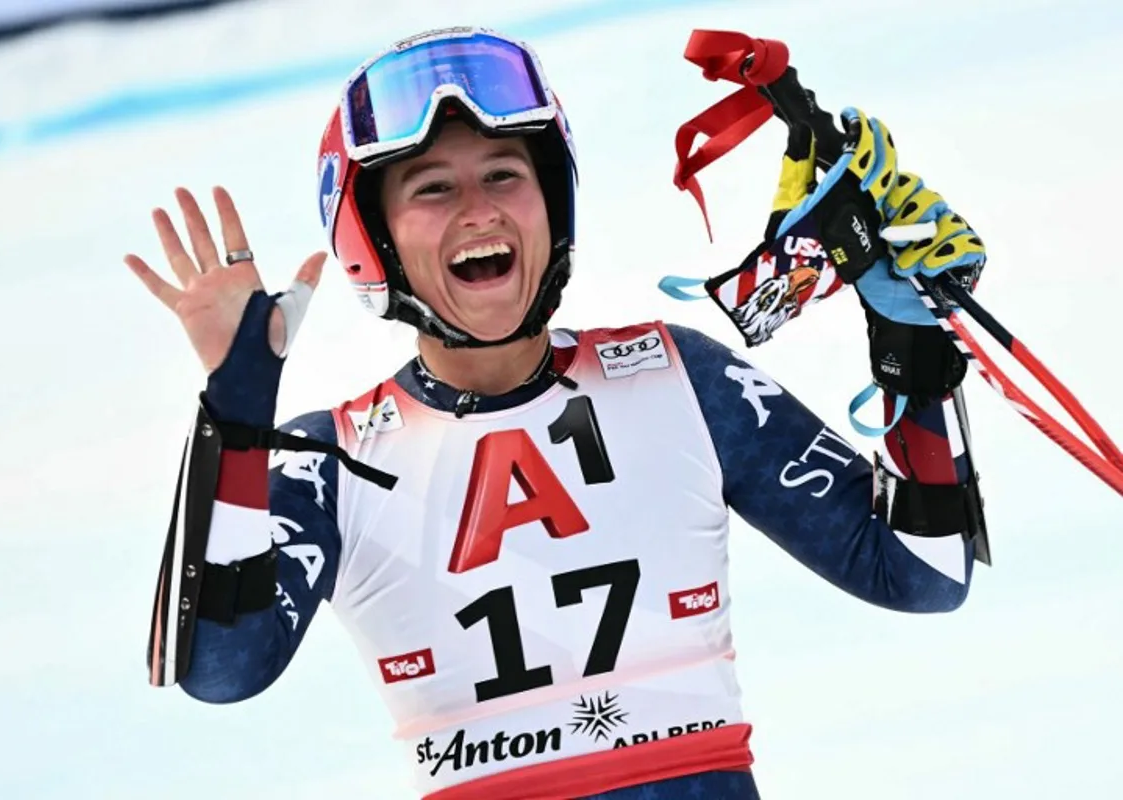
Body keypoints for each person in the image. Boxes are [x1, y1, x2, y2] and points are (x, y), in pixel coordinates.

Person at [125, 26, 989, 800]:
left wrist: (907, 339)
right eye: (432, 188)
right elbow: (223, 670)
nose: (480, 208)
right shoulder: (332, 456)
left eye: (506, 173)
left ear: (553, 203)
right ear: (371, 238)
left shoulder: (683, 377)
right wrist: (236, 413)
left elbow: (920, 572)